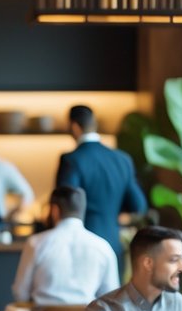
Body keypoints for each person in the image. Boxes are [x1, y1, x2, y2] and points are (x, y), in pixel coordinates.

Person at [55, 104, 148, 262]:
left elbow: (66, 203)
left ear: (74, 126)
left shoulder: (72, 160)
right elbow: (139, 205)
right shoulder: (123, 160)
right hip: (113, 245)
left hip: (80, 246)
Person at [11, 185, 119, 305]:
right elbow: (111, 298)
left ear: (55, 210)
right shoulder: (103, 247)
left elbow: (20, 293)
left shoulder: (36, 243)